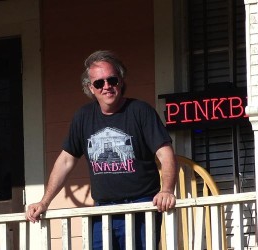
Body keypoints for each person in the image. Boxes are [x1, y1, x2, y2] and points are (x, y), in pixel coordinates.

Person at [25, 50, 178, 249]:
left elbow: (165, 153)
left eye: (111, 80)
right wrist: (44, 202)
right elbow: (66, 160)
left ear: (120, 81)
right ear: (90, 88)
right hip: (103, 210)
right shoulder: (83, 116)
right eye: (99, 83)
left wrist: (166, 190)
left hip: (141, 206)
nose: (106, 86)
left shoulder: (140, 111)